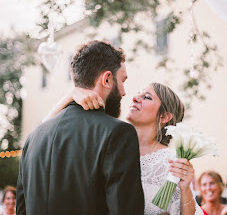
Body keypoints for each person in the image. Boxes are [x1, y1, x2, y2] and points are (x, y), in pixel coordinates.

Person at [16, 40, 145, 215]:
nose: (124, 92)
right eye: (122, 80)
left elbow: (21, 210)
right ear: (107, 79)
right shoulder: (118, 133)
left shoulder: (33, 139)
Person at [44, 82, 204, 215]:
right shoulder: (108, 144)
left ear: (164, 117)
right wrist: (70, 96)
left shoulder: (173, 162)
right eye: (138, 94)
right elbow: (44, 132)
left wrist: (185, 188)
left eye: (146, 97)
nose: (134, 98)